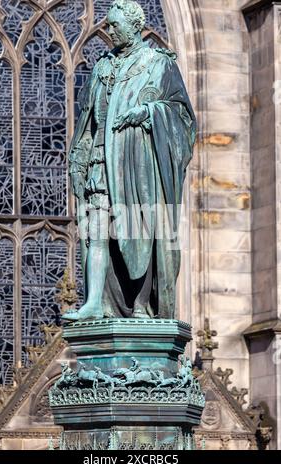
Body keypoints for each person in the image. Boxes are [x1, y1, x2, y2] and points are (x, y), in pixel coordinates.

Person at [62, 0, 196, 322]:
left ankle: (141, 306)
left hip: (136, 168)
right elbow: (87, 121)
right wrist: (78, 159)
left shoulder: (157, 64)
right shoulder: (101, 68)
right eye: (107, 24)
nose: (107, 31)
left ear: (135, 25)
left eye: (114, 25)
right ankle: (95, 301)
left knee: (140, 233)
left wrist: (149, 114)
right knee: (96, 231)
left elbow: (183, 118)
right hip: (100, 162)